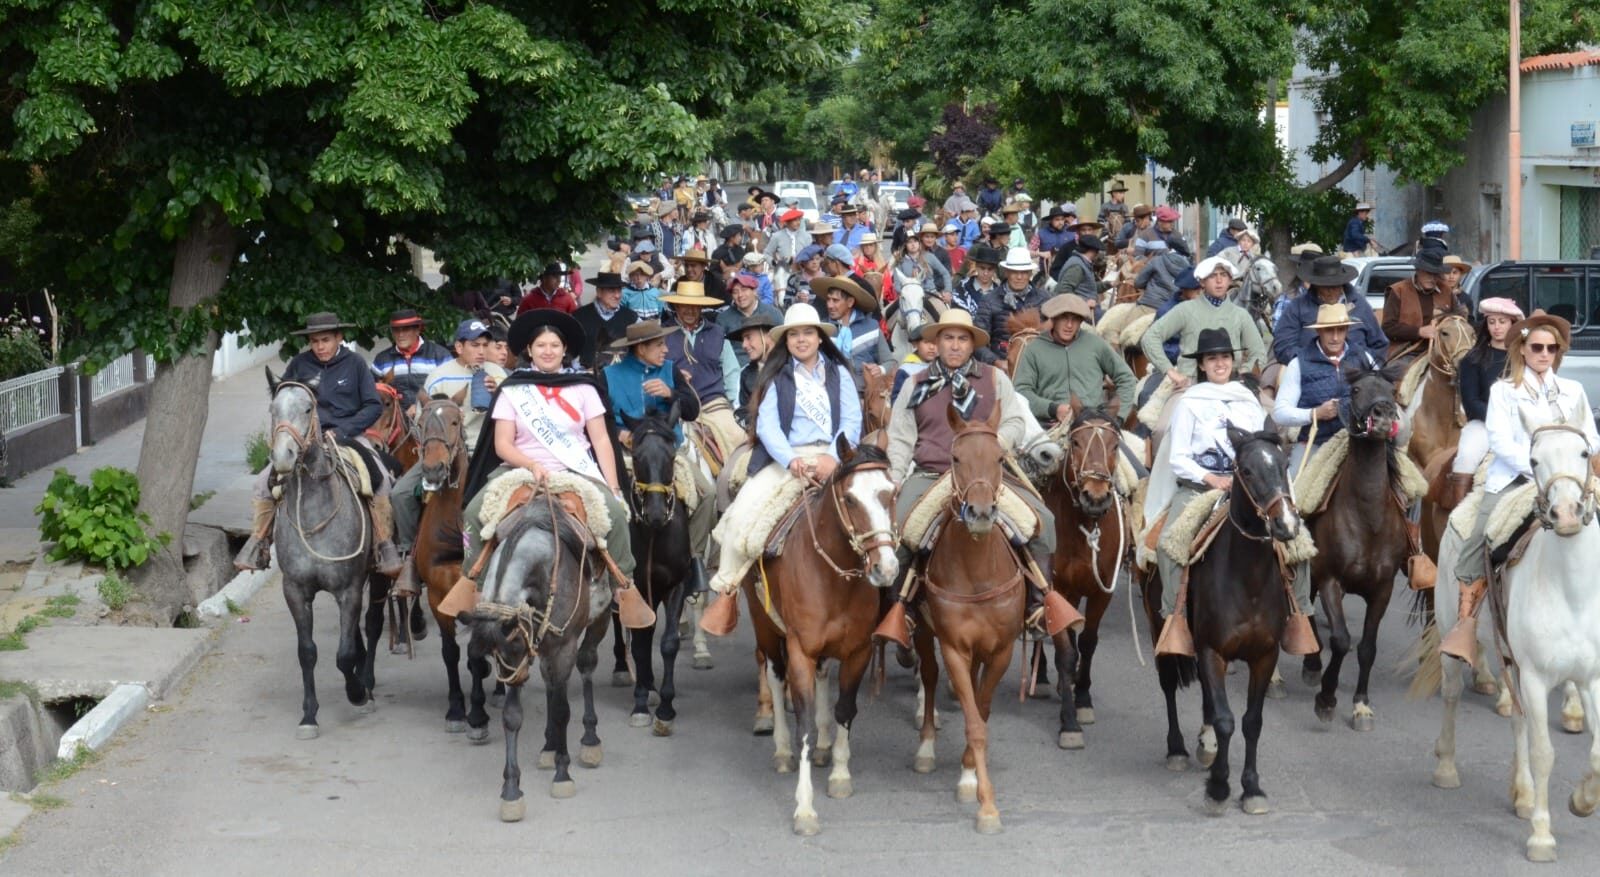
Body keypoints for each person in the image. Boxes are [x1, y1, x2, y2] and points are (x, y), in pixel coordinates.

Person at [882, 308, 1064, 640]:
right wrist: (895, 477)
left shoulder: (995, 379)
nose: (954, 345)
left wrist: (994, 446)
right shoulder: (915, 384)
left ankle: (1037, 604)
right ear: (935, 342)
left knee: (1044, 521)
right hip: (930, 474)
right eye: (948, 338)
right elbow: (901, 436)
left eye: (962, 339)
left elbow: (1014, 420)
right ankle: (901, 611)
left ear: (971, 344)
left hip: (987, 476)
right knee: (898, 531)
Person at [1443, 314, 1600, 665]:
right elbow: (1498, 439)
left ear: (1558, 353)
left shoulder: (1573, 391)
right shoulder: (1503, 391)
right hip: (1516, 478)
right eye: (1537, 347)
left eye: (1551, 348)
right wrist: (1537, 471)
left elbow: (1590, 436)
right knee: (1478, 537)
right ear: (1523, 350)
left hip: (1570, 479)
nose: (1544, 354)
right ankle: (1466, 624)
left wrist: (1569, 468)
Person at [1148, 328, 1315, 656]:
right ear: (1203, 366)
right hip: (1199, 489)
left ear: (1233, 361)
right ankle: (1175, 618)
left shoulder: (1247, 400)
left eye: (1224, 357)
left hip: (1247, 488)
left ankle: (1300, 614)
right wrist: (1211, 478)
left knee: (1297, 539)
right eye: (1212, 358)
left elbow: (1261, 448)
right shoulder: (1189, 403)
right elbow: (1178, 456)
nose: (1220, 363)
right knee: (1170, 546)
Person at [702, 302, 864, 621]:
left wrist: (832, 457)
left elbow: (851, 420)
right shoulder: (776, 375)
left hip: (834, 455)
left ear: (820, 338)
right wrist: (791, 461)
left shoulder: (840, 373)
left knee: (874, 513)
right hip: (788, 458)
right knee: (741, 514)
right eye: (794, 335)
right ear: (786, 341)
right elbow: (767, 426)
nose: (801, 339)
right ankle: (727, 590)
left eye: (807, 333)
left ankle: (883, 591)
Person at [458, 309, 634, 599]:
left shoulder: (584, 387)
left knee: (616, 514)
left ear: (565, 350)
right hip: (519, 471)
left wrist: (613, 487)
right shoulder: (513, 389)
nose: (548, 351)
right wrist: (531, 464)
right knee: (474, 512)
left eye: (554, 345)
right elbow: (502, 444)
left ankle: (624, 586)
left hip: (574, 471)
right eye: (541, 345)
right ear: (529, 349)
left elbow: (602, 440)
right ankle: (473, 585)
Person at [234, 313, 401, 576]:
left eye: (325, 340)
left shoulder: (356, 364)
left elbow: (372, 405)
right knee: (261, 484)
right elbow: (284, 402)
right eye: (314, 341)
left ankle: (384, 543)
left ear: (339, 338)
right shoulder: (299, 365)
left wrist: (343, 429)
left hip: (348, 435)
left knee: (379, 479)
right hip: (304, 440)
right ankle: (259, 541)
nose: (320, 346)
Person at [389, 317, 513, 596]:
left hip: (489, 453)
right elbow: (423, 421)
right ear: (459, 347)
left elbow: (515, 418)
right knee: (400, 493)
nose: (481, 351)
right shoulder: (440, 375)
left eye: (485, 345)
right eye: (474, 345)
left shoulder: (500, 374)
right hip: (445, 451)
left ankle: (507, 555)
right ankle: (410, 556)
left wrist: (500, 395)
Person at [1272, 304, 1380, 473]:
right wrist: (1315, 413)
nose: (1336, 337)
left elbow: (1381, 396)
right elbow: (1280, 413)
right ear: (1319, 332)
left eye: (1341, 330)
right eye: (1329, 330)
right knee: (1294, 484)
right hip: (1315, 443)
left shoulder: (1363, 358)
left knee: (1405, 483)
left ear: (1346, 330)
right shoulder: (1299, 363)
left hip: (1359, 441)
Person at [1443, 297, 1525, 506]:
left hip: (1523, 424)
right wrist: (1500, 419)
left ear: (1513, 324)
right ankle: (1457, 511)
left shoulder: (1525, 356)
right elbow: (1471, 402)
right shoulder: (1473, 358)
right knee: (1467, 456)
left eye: (1502, 321)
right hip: (1483, 424)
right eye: (1492, 322)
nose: (1496, 327)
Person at [658, 283, 748, 468]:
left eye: (695, 306)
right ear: (675, 306)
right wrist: (672, 377)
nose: (690, 310)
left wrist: (733, 405)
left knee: (739, 436)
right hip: (675, 404)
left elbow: (731, 372)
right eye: (684, 305)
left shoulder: (716, 332)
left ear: (701, 307)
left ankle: (735, 485)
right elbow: (652, 370)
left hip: (713, 403)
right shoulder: (662, 334)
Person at [1140, 256, 1267, 384]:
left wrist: (1244, 371)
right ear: (1202, 282)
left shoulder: (1241, 315)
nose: (1219, 280)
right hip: (1190, 384)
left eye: (1223, 275)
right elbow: (1150, 337)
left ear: (1230, 280)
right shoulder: (1185, 310)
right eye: (1212, 276)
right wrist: (1170, 371)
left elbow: (1258, 352)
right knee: (1151, 398)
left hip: (1232, 383)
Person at [1013, 294, 1137, 425]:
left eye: (1075, 320)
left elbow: (1127, 378)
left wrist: (1117, 417)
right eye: (1064, 319)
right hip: (1048, 424)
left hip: (1093, 423)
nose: (1069, 325)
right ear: (1054, 319)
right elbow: (1021, 391)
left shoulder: (1096, 344)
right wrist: (1052, 408)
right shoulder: (1034, 349)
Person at [1272, 256, 1388, 365]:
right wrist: (1311, 360)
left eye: (1334, 286)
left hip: (1356, 374)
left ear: (1342, 283)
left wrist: (1361, 362)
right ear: (1316, 285)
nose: (1330, 291)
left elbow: (1379, 345)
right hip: (1310, 373)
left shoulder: (1360, 305)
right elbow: (1283, 347)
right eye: (1325, 286)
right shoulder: (1298, 307)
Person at [1381, 249, 1466, 363]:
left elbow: (1458, 321)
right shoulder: (1398, 291)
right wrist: (1419, 332)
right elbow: (1388, 328)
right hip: (1407, 351)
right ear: (1418, 270)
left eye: (1435, 273)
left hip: (1442, 350)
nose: (1432, 278)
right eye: (1428, 272)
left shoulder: (1446, 290)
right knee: (1399, 374)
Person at [973, 247, 1050, 364]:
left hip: (1037, 362)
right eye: (1014, 272)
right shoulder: (989, 301)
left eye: (1024, 272)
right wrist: (995, 361)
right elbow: (978, 341)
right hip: (1003, 363)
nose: (1019, 277)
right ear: (1006, 272)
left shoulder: (1043, 298)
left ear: (1030, 273)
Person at [370, 309, 452, 409]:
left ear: (417, 330)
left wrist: (419, 409)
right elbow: (371, 393)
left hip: (433, 417)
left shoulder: (440, 355)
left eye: (405, 329)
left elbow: (451, 390)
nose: (400, 335)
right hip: (395, 419)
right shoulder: (381, 360)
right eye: (396, 330)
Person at [815, 275, 890, 379]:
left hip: (864, 391)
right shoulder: (823, 330)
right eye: (828, 299)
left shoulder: (872, 327)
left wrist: (880, 369)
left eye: (835, 300)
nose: (829, 305)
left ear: (850, 302)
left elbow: (890, 362)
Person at [715, 271, 784, 367]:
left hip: (769, 367)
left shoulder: (773, 314)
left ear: (755, 291)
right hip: (736, 370)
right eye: (735, 292)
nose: (740, 295)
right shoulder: (723, 319)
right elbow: (717, 350)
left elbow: (783, 344)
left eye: (744, 289)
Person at [573, 272, 638, 369]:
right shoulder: (579, 316)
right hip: (589, 376)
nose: (617, 296)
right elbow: (571, 352)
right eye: (612, 291)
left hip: (622, 374)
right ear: (599, 292)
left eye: (619, 290)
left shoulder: (632, 317)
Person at [734, 312, 778, 426]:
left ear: (768, 336)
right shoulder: (746, 374)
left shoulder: (791, 366)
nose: (744, 345)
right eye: (743, 339)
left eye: (748, 337)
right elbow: (741, 413)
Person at [892, 321, 940, 401]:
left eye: (935, 343)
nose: (932, 347)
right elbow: (897, 400)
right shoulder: (906, 370)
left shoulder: (940, 366)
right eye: (926, 342)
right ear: (915, 344)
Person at [894, 232, 951, 298]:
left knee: (940, 307)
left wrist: (948, 291)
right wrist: (903, 293)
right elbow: (897, 283)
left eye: (915, 241)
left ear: (919, 243)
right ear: (905, 245)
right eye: (909, 242)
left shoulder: (929, 256)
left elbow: (945, 273)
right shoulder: (901, 262)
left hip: (930, 294)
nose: (913, 244)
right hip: (910, 296)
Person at [1054, 233, 1103, 309]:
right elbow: (1063, 290)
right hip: (1077, 310)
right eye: (1097, 251)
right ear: (1092, 251)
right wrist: (1085, 302)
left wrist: (1110, 284)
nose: (1097, 254)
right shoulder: (1077, 266)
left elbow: (1089, 287)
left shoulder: (1083, 263)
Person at [954, 244, 1000, 314]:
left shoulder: (1000, 293)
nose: (985, 273)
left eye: (990, 269)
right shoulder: (962, 288)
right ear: (976, 267)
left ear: (994, 270)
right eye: (982, 268)